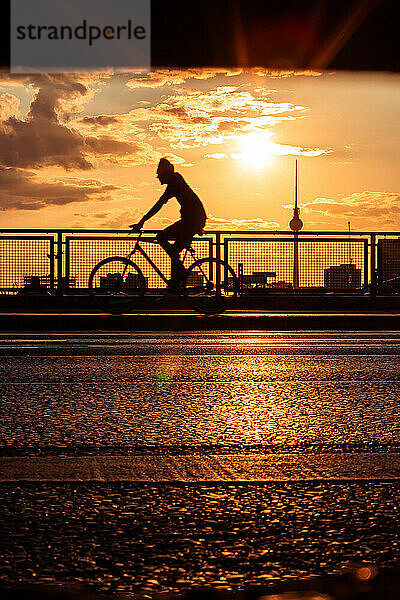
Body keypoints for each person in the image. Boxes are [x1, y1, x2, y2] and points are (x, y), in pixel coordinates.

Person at [130, 158, 207, 293]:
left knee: (161, 237)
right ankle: (175, 285)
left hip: (192, 220)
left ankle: (181, 275)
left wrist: (141, 222)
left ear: (165, 173)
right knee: (174, 251)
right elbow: (160, 204)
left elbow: (158, 205)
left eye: (159, 174)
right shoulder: (175, 180)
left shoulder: (174, 181)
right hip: (193, 219)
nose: (158, 177)